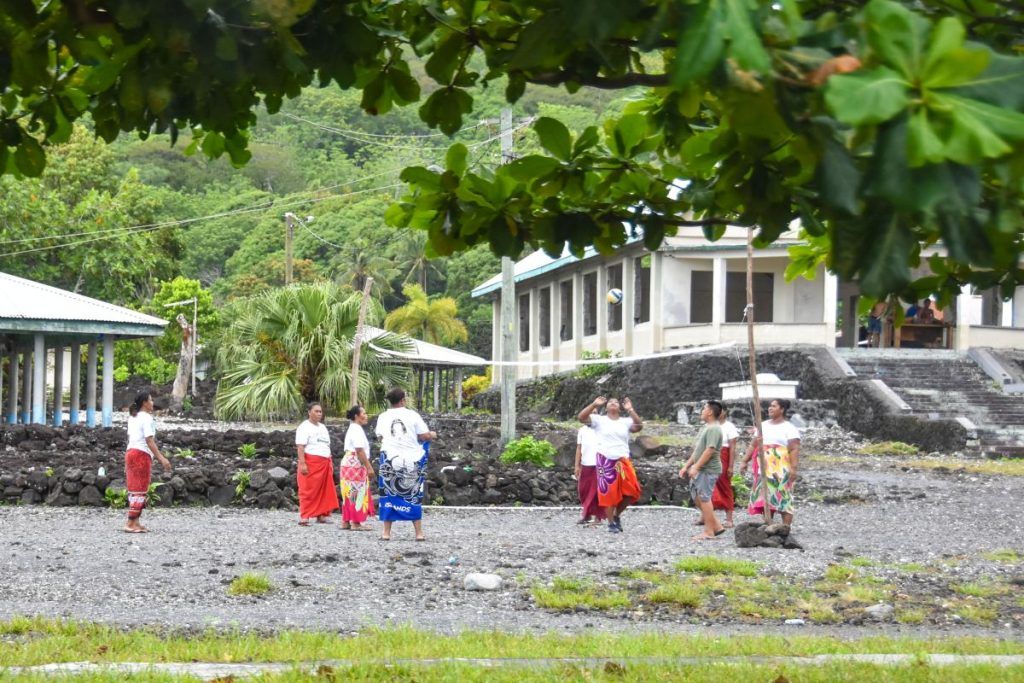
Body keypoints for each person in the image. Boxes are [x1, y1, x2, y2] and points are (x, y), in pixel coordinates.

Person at [376, 388, 435, 541]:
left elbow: (380, 435)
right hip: (411, 458)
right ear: (403, 400)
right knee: (414, 494)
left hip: (389, 458)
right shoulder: (412, 415)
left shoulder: (383, 416)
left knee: (388, 494)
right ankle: (418, 533)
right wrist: (432, 435)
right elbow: (424, 435)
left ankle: (386, 533)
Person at [578, 396, 643, 534]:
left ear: (620, 407)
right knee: (608, 492)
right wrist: (593, 404)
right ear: (606, 407)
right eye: (610, 402)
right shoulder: (599, 420)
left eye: (616, 402)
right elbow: (581, 418)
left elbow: (639, 427)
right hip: (605, 460)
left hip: (623, 460)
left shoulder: (625, 421)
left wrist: (631, 410)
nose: (613, 403)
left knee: (632, 491)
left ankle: (616, 515)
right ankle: (611, 523)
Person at [739, 398, 801, 525]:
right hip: (763, 466)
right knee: (765, 496)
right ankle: (769, 524)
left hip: (780, 467)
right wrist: (745, 461)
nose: (770, 408)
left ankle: (786, 528)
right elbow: (753, 445)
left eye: (774, 406)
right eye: (770, 406)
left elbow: (794, 449)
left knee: (783, 495)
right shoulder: (763, 425)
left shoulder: (789, 428)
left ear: (782, 409)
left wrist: (794, 469)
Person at [123, 392, 172, 533]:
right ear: (144, 402)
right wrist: (162, 458)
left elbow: (131, 437)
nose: (152, 402)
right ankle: (130, 523)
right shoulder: (147, 418)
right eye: (151, 400)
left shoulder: (133, 417)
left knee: (134, 489)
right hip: (141, 454)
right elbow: (149, 441)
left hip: (130, 452)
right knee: (140, 490)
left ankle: (135, 522)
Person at [680, 401, 726, 540]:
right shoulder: (708, 427)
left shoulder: (714, 429)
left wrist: (697, 467)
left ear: (710, 412)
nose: (702, 411)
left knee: (704, 498)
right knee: (697, 498)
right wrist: (686, 466)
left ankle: (709, 531)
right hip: (702, 468)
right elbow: (698, 451)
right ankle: (716, 525)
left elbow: (710, 450)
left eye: (704, 409)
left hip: (708, 469)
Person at [295, 401, 340, 526]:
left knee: (324, 490)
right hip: (311, 462)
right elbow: (300, 447)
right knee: (308, 489)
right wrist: (303, 463)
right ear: (309, 412)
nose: (319, 413)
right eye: (316, 411)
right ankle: (305, 516)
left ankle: (321, 515)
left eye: (320, 411)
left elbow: (326, 444)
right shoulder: (304, 427)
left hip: (324, 462)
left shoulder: (322, 427)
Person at [340, 404, 376, 530]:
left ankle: (346, 521)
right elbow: (360, 450)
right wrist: (369, 467)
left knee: (349, 491)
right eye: (364, 414)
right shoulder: (356, 429)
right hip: (356, 462)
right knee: (357, 491)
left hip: (349, 462)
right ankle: (355, 522)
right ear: (356, 416)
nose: (366, 416)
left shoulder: (353, 428)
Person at [710, 407, 740, 528]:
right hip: (710, 455)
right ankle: (706, 516)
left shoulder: (729, 427)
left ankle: (729, 519)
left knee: (724, 485)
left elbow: (732, 448)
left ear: (725, 412)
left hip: (723, 456)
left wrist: (731, 466)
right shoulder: (711, 425)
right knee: (707, 485)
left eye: (721, 410)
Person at [573, 424, 605, 526]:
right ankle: (587, 514)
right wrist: (577, 465)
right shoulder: (582, 430)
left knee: (596, 492)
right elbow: (579, 448)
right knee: (583, 490)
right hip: (585, 464)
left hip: (599, 464)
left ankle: (598, 517)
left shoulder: (602, 428)